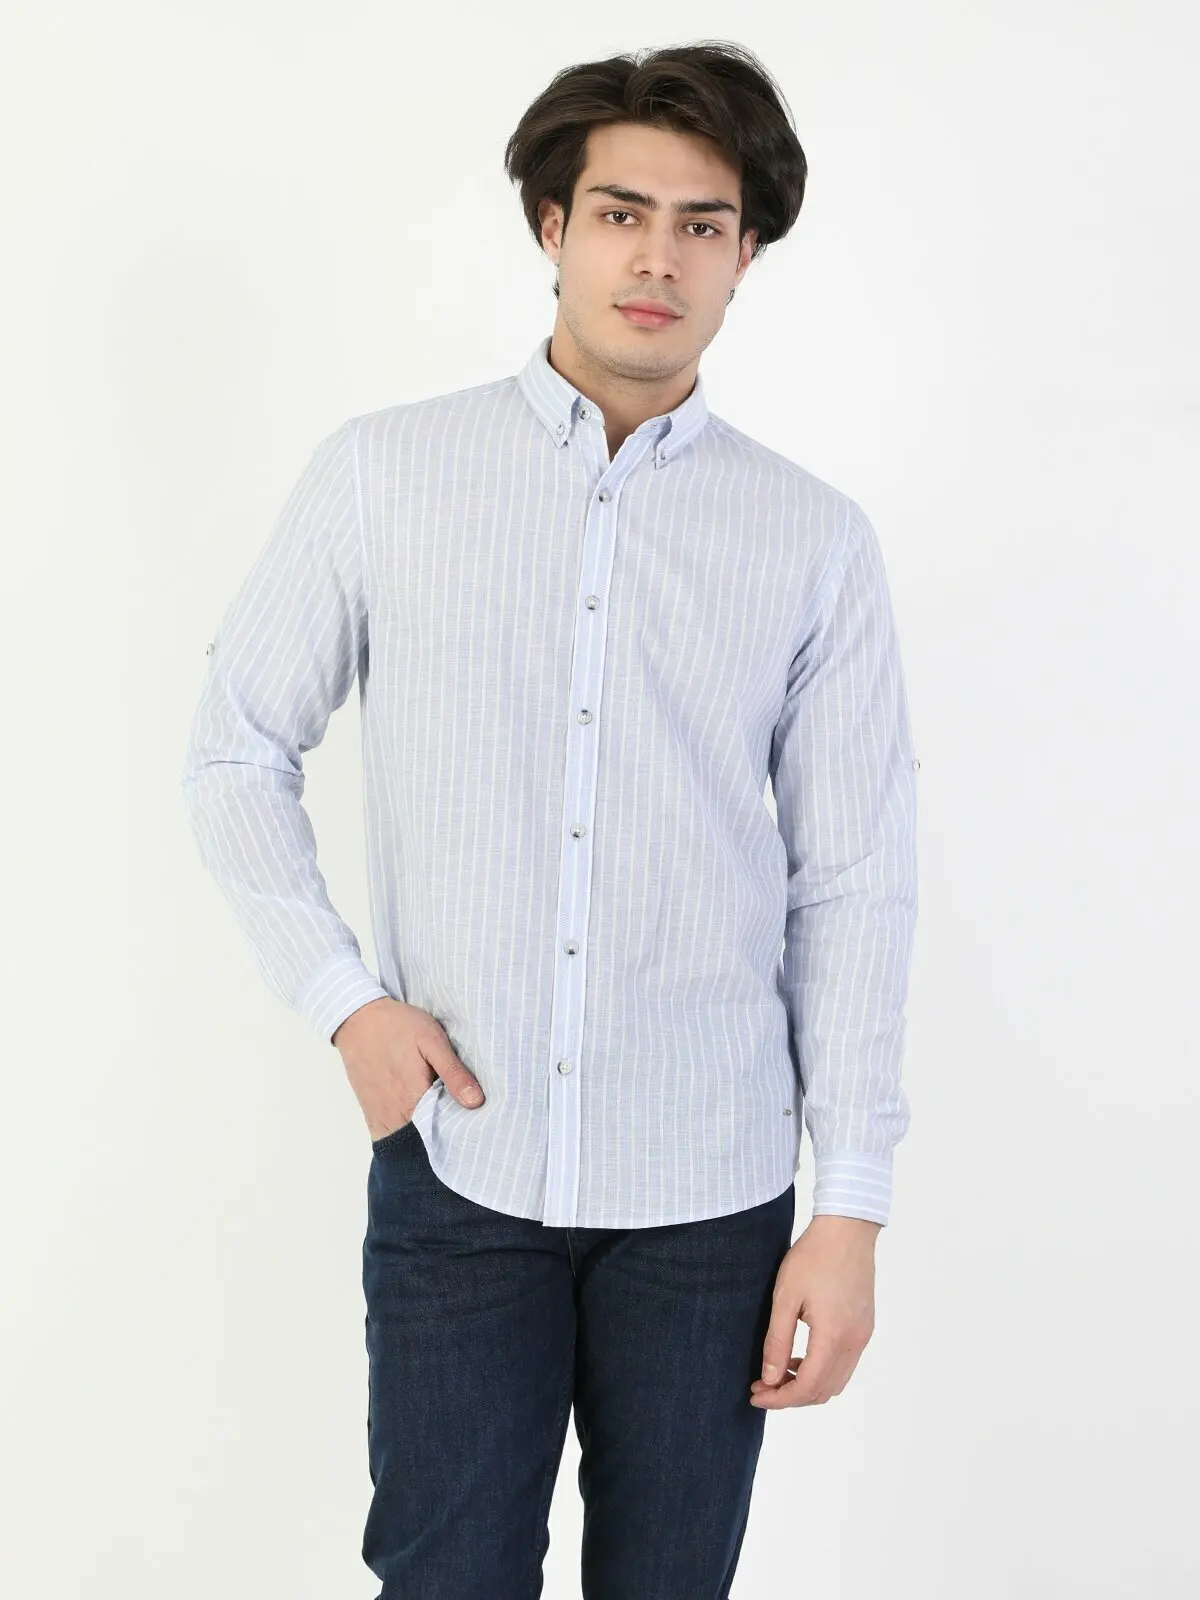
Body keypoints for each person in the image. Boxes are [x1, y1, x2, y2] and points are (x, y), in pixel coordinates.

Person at [181, 39, 919, 1600]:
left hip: (711, 1197)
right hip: (465, 1165)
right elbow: (235, 746)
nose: (658, 259)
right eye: (621, 213)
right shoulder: (387, 476)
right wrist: (345, 1002)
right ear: (551, 226)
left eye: (702, 225)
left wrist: (849, 1206)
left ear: (746, 254)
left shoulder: (812, 543)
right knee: (443, 1579)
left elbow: (853, 881)